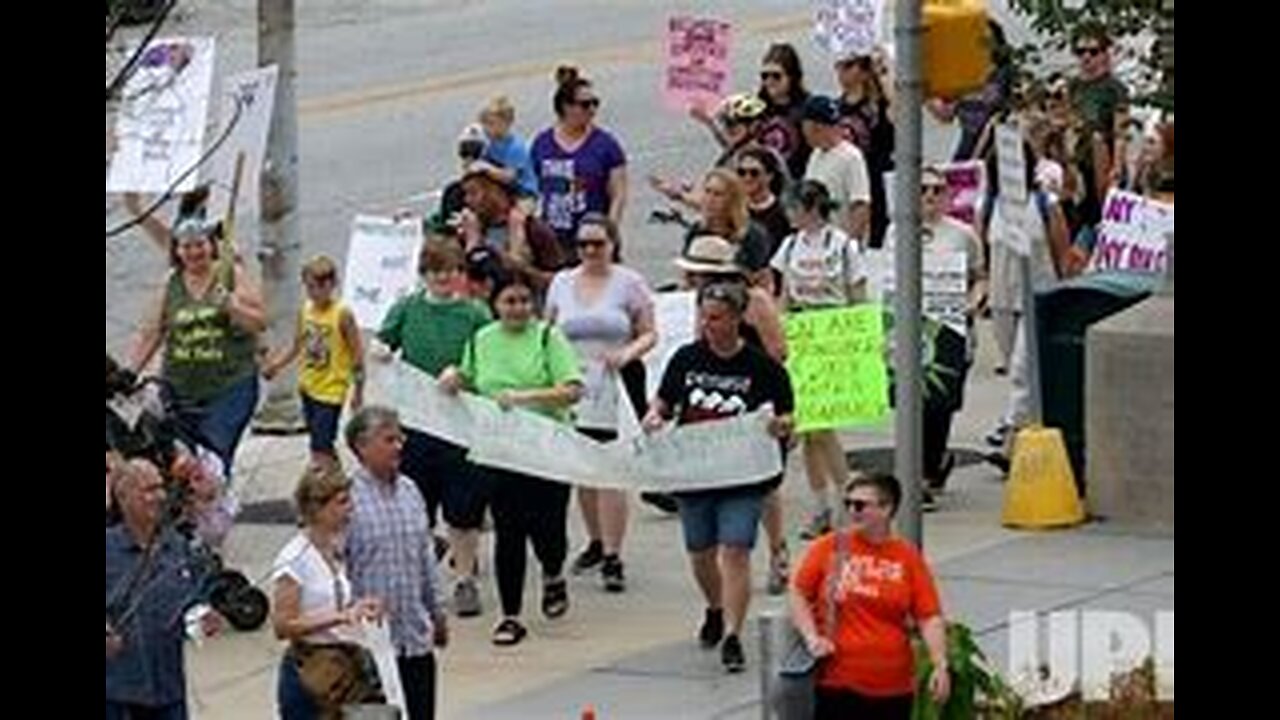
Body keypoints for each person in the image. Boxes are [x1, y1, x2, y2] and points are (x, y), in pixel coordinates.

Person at [642, 282, 795, 674]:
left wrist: (781, 426)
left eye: (717, 318)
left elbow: (789, 415)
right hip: (696, 472)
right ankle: (715, 605)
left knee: (736, 550)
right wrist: (655, 416)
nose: (708, 326)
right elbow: (665, 401)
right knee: (700, 551)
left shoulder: (762, 367)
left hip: (742, 475)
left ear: (737, 319)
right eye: (704, 317)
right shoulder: (687, 359)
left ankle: (732, 632)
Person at [438, 271, 584, 646]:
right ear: (495, 305)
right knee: (509, 532)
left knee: (548, 530)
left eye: (523, 301)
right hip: (500, 452)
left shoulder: (549, 337)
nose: (517, 308)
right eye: (509, 301)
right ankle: (511, 615)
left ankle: (553, 575)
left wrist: (525, 398)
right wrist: (455, 377)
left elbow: (571, 390)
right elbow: (470, 379)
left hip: (545, 451)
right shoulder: (481, 339)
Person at [376, 238, 492, 618]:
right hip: (416, 425)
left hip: (461, 426)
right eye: (435, 270)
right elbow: (383, 342)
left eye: (451, 270)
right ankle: (424, 579)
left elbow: (491, 360)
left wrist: (465, 375)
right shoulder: (407, 309)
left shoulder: (475, 314)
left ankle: (464, 578)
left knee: (463, 509)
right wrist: (379, 349)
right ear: (423, 274)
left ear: (460, 274)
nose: (444, 277)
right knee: (417, 505)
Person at [546, 213, 657, 593]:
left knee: (611, 468)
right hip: (575, 381)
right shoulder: (562, 282)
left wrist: (626, 353)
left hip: (616, 380)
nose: (591, 251)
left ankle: (613, 552)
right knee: (583, 468)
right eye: (583, 245)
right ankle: (594, 539)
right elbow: (548, 331)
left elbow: (649, 333)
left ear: (612, 244)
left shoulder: (629, 283)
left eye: (598, 244)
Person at [789, 473, 950, 720]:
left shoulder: (906, 557)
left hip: (893, 686)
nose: (853, 511)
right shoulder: (829, 547)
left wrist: (940, 664)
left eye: (861, 505)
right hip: (836, 681)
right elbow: (799, 592)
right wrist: (812, 637)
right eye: (848, 504)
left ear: (886, 508)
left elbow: (928, 616)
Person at [129, 211, 267, 471]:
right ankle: (194, 509)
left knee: (213, 455)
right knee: (184, 461)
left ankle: (215, 507)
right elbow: (152, 332)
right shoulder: (171, 283)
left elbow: (259, 322)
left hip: (230, 387)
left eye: (200, 244)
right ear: (178, 251)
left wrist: (231, 306)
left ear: (211, 246)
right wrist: (129, 373)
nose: (194, 252)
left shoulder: (230, 274)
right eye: (187, 246)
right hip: (180, 392)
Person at [884, 167, 988, 503]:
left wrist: (972, 304)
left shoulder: (963, 234)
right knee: (909, 401)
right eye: (923, 190)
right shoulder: (896, 231)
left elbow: (980, 276)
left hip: (949, 330)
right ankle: (919, 472)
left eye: (937, 190)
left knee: (940, 404)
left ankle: (933, 463)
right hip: (907, 330)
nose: (929, 197)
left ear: (948, 196)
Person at [770, 179, 866, 538]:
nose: (788, 214)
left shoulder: (842, 246)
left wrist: (862, 339)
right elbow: (782, 296)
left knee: (821, 426)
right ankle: (823, 505)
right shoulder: (790, 245)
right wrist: (780, 335)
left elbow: (857, 293)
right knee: (810, 428)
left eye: (793, 208)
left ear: (809, 207)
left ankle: (844, 500)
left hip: (833, 333)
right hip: (802, 334)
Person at [344, 407, 449, 720]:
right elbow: (337, 569)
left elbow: (425, 559)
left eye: (400, 438)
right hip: (371, 645)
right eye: (389, 439)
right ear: (362, 447)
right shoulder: (346, 500)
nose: (399, 446)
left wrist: (437, 613)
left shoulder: (411, 491)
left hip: (414, 637)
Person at [106, 459, 225, 720]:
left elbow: (192, 600)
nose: (158, 497)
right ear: (123, 497)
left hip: (168, 691)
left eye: (160, 488)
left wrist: (202, 617)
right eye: (148, 490)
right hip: (116, 696)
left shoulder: (177, 547)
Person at [272, 463, 384, 719]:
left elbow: (333, 600)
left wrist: (361, 607)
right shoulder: (294, 559)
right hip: (310, 671)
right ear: (318, 509)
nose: (350, 509)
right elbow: (283, 625)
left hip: (343, 665)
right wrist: (339, 616)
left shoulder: (334, 549)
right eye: (342, 503)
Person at [263, 256, 364, 467]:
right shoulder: (306, 310)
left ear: (331, 285)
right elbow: (297, 346)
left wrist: (358, 392)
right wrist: (276, 365)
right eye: (308, 287)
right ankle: (334, 478)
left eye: (317, 287)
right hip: (308, 386)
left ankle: (324, 481)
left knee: (319, 446)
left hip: (331, 391)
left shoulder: (342, 315)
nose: (312, 293)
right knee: (321, 443)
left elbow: (357, 355)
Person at [532, 65, 628, 260]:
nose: (591, 110)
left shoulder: (606, 144)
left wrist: (609, 231)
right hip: (554, 239)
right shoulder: (542, 143)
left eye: (595, 103)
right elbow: (532, 187)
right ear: (566, 107)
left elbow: (618, 193)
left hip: (591, 238)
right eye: (585, 104)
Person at [457, 168, 571, 297]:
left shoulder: (533, 229)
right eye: (466, 194)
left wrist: (520, 267)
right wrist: (471, 245)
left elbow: (561, 282)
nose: (467, 200)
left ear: (495, 192)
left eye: (473, 193)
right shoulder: (470, 230)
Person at [1069, 21, 1131, 228]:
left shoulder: (1115, 88)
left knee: (1106, 222)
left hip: (1106, 161)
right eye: (1080, 52)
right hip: (1079, 161)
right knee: (1080, 219)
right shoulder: (1074, 86)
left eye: (1093, 51)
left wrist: (1117, 167)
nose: (1086, 57)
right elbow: (1071, 122)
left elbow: (1121, 131)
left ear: (1105, 53)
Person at [834, 52, 895, 248]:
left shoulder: (878, 105)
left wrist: (882, 74)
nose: (842, 73)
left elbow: (900, 114)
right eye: (839, 67)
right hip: (848, 178)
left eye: (848, 66)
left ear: (863, 70)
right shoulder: (837, 107)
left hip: (877, 177)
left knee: (878, 235)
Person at [682, 168, 776, 291]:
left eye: (717, 194)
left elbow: (762, 279)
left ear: (732, 200)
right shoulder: (697, 230)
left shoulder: (752, 235)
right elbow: (686, 273)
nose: (710, 200)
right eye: (707, 192)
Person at [801, 95, 872, 244]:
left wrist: (848, 245)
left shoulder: (851, 157)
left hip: (839, 241)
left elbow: (861, 205)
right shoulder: (816, 155)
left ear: (814, 127)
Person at [754, 43, 813, 181]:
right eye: (764, 76)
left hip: (797, 185)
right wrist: (711, 124)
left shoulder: (807, 107)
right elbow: (741, 148)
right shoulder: (757, 108)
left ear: (792, 76)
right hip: (765, 187)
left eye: (776, 76)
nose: (769, 81)